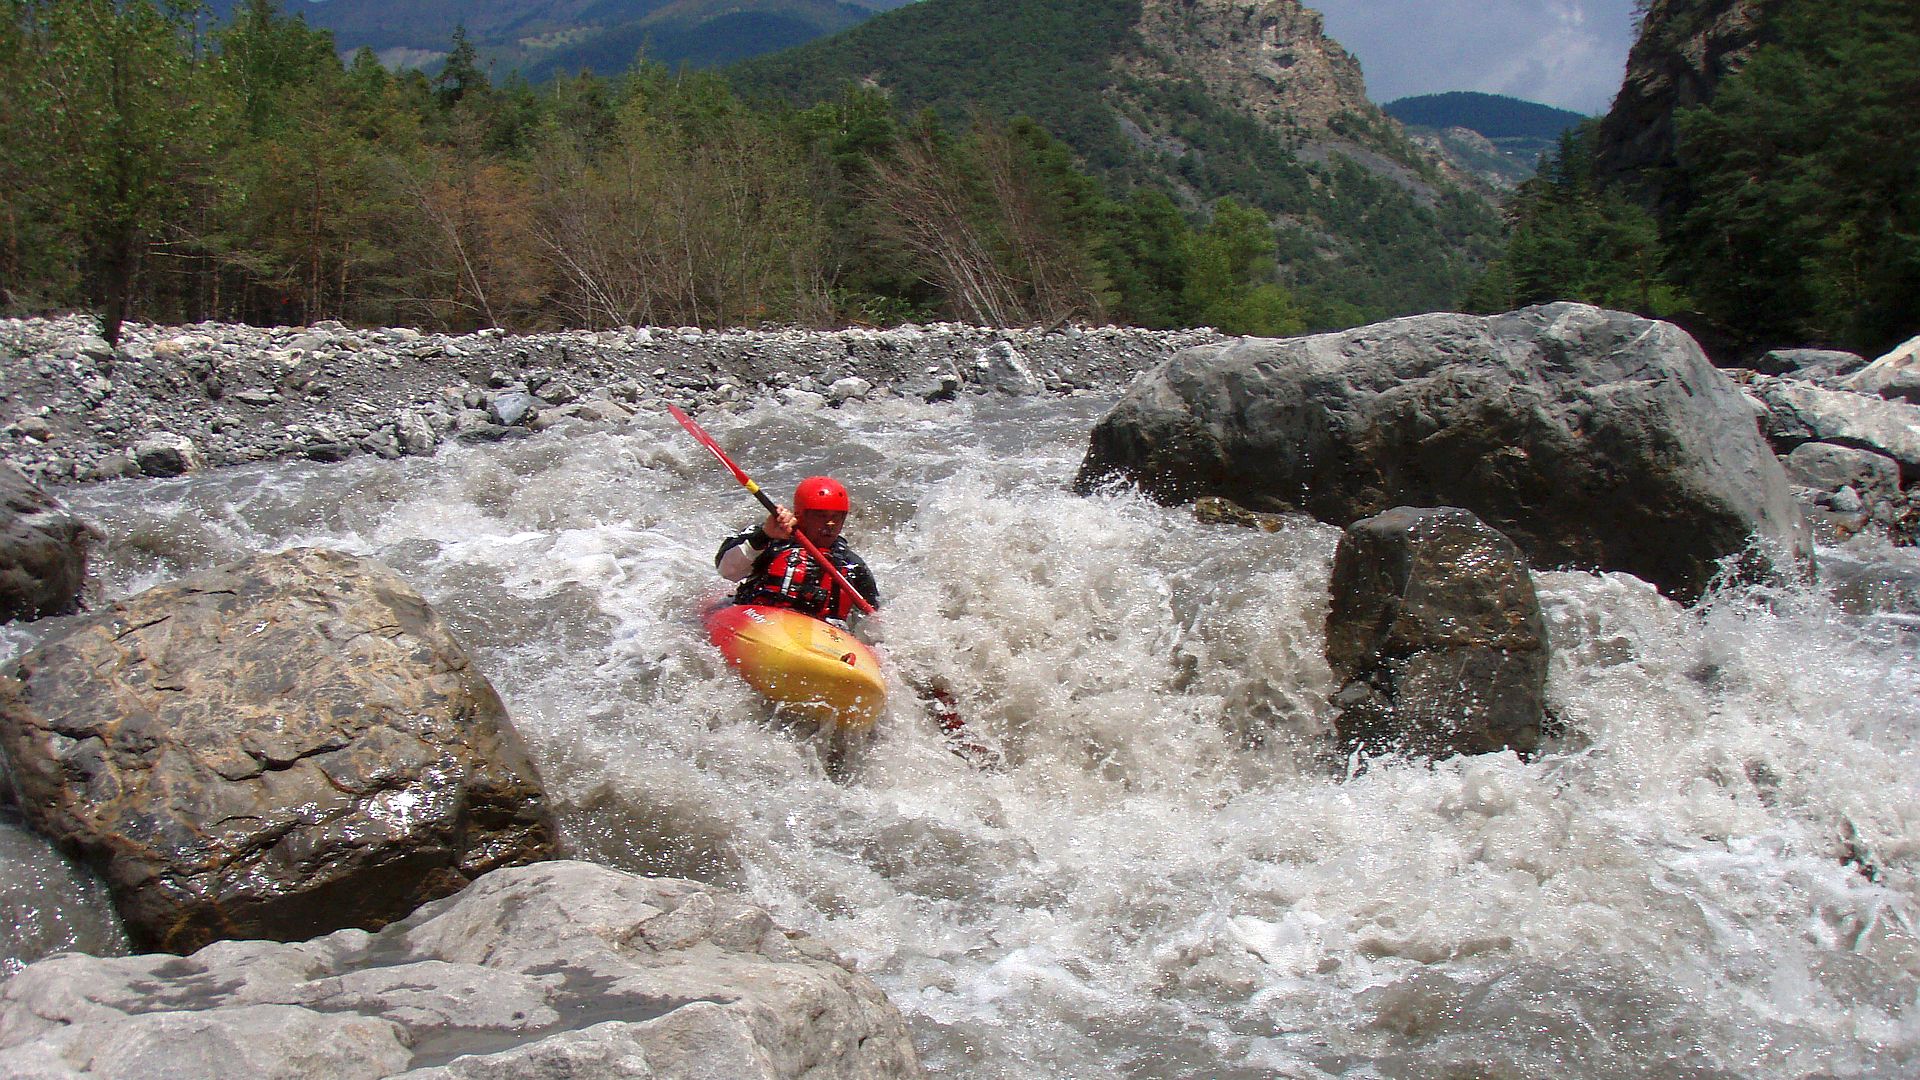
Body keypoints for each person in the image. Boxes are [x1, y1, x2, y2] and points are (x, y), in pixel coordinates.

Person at [715, 475, 879, 625]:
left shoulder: (851, 565)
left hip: (820, 634)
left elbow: (873, 621)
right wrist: (764, 536)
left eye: (837, 517)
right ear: (801, 515)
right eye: (821, 516)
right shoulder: (772, 540)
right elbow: (727, 570)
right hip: (759, 618)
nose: (830, 524)